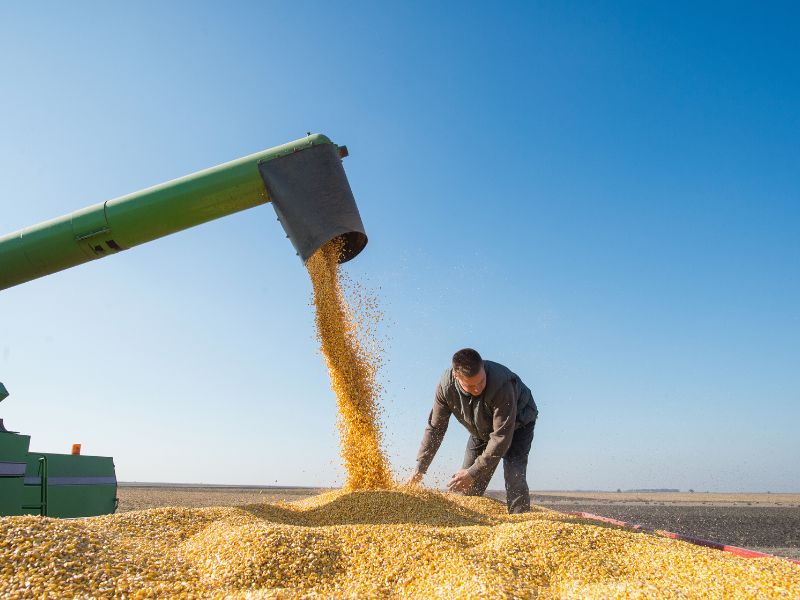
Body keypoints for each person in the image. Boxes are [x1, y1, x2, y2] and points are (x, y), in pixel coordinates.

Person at [408, 348, 538, 513]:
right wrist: (420, 468)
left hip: (518, 424)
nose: (477, 389)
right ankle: (472, 520)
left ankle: (520, 520)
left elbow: (501, 438)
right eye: (470, 385)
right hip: (481, 428)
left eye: (481, 382)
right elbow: (435, 429)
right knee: (466, 483)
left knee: (514, 473)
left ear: (483, 367)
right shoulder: (446, 388)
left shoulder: (502, 384)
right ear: (456, 377)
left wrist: (473, 472)